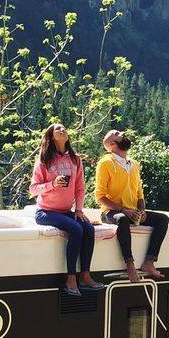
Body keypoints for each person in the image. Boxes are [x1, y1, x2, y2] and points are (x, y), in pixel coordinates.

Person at [29, 124, 104, 296]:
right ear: (51, 136)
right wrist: (53, 184)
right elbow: (33, 189)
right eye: (58, 129)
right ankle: (70, 278)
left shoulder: (75, 159)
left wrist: (78, 210)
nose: (63, 130)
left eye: (64, 128)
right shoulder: (43, 159)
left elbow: (79, 187)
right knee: (76, 229)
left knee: (88, 228)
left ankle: (85, 275)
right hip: (46, 212)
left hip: (65, 211)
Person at [95, 129, 169, 282]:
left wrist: (141, 211)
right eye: (117, 133)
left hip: (132, 212)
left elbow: (139, 194)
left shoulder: (134, 164)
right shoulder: (105, 163)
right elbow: (100, 197)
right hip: (111, 212)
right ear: (112, 144)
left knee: (162, 219)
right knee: (122, 219)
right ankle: (129, 264)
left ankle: (149, 262)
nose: (122, 133)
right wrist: (124, 210)